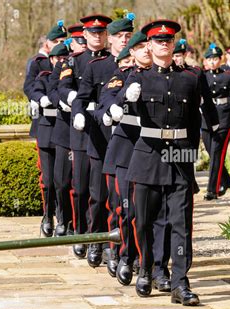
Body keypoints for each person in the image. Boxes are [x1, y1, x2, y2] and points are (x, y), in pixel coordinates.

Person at [120, 19, 201, 305]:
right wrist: (127, 98)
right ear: (150, 45)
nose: (163, 44)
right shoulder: (138, 78)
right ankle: (146, 268)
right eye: (158, 40)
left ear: (174, 44)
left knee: (181, 224)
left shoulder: (190, 78)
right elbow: (121, 104)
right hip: (148, 155)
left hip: (179, 157)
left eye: (168, 40)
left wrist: (191, 160)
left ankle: (180, 283)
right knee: (143, 220)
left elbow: (195, 122)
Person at [73, 12, 134, 270]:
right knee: (98, 197)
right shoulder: (97, 66)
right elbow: (82, 97)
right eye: (119, 36)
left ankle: (119, 248)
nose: (124, 41)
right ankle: (97, 240)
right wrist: (78, 113)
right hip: (100, 136)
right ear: (110, 40)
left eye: (128, 36)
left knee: (123, 200)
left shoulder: (140, 65)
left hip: (130, 140)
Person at [96, 31, 150, 286]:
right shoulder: (123, 77)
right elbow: (106, 99)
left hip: (152, 147)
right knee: (124, 209)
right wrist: (115, 106)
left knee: (148, 211)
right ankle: (124, 255)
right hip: (127, 147)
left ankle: (147, 259)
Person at [58, 14, 112, 259]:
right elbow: (63, 86)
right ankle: (80, 232)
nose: (97, 36)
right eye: (93, 33)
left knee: (101, 190)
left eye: (101, 33)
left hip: (105, 128)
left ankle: (99, 238)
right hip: (82, 129)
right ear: (85, 35)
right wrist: (74, 102)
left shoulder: (114, 61)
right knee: (80, 188)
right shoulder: (74, 60)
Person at [51, 24, 87, 237]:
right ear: (71, 44)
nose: (81, 46)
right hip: (66, 128)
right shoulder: (65, 64)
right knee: (62, 181)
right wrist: (63, 102)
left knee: (83, 184)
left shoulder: (96, 63)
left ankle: (79, 225)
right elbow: (53, 89)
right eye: (78, 42)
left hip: (88, 129)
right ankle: (63, 218)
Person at [30, 42, 70, 237]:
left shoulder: (69, 78)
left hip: (64, 131)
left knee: (63, 180)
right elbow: (35, 90)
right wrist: (40, 99)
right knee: (48, 180)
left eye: (65, 59)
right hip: (47, 130)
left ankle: (64, 217)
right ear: (52, 60)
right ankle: (48, 216)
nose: (61, 62)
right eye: (58, 59)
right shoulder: (44, 77)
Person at [203, 43, 230, 200]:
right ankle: (226, 180)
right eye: (210, 59)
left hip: (222, 116)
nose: (213, 61)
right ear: (206, 61)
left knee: (216, 153)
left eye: (215, 58)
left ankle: (212, 189)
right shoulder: (202, 76)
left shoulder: (228, 76)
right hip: (206, 118)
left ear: (220, 59)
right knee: (210, 151)